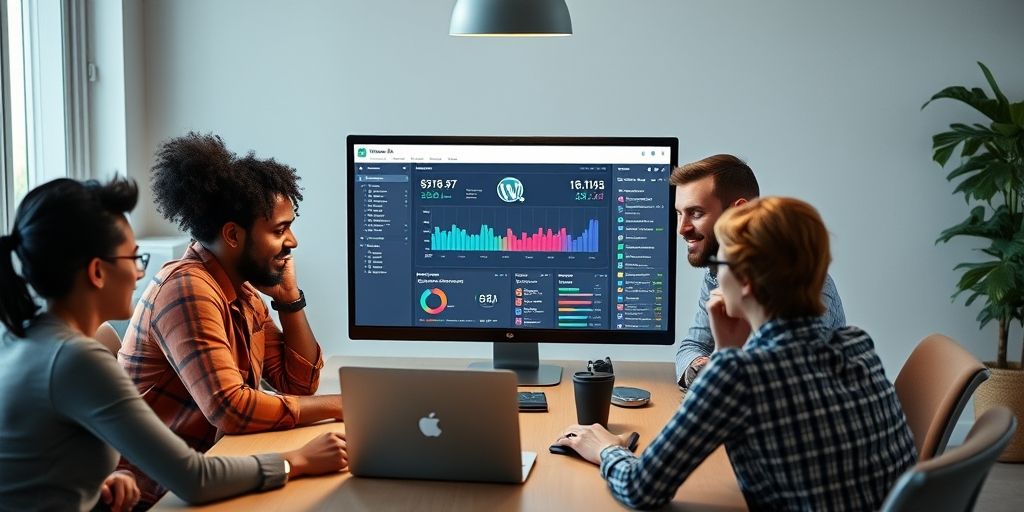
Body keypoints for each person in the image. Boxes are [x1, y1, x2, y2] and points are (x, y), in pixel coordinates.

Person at [0, 178, 348, 511]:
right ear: (97, 272)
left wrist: (99, 482)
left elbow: (36, 464)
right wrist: (297, 461)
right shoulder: (77, 358)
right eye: (135, 259)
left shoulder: (26, 340)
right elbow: (194, 478)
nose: (141, 274)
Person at [556, 197, 917, 510]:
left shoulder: (740, 375)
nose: (714, 275)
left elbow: (642, 488)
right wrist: (727, 350)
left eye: (720, 265)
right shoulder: (858, 344)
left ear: (744, 281)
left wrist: (603, 447)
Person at [116, 133, 343, 506]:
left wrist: (288, 300)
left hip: (208, 474)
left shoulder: (240, 290)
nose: (293, 242)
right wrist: (341, 405)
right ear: (233, 235)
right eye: (279, 230)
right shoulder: (187, 288)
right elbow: (230, 408)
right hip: (154, 497)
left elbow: (298, 384)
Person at [672, 155, 846, 389]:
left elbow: (782, 390)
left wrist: (721, 367)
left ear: (739, 212)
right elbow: (693, 347)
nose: (681, 229)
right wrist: (706, 368)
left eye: (696, 213)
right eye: (679, 214)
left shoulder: (805, 286)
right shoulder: (719, 272)